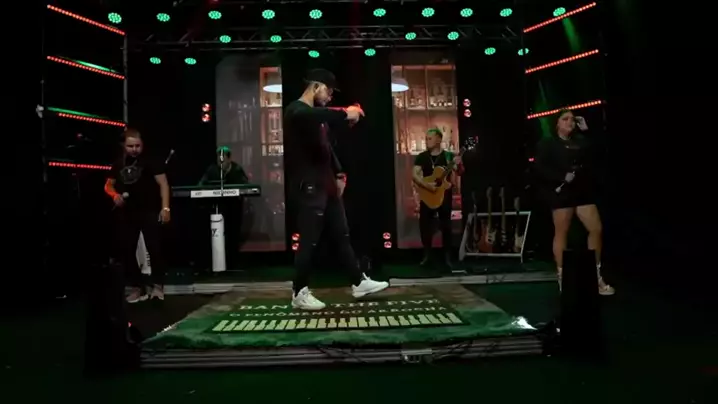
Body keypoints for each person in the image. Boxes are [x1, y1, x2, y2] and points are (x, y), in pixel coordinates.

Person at [283, 68, 388, 310]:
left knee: (342, 234)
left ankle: (358, 282)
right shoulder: (297, 111)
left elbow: (326, 148)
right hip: (309, 185)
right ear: (316, 87)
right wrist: (345, 112)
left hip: (326, 183)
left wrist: (339, 174)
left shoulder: (316, 117)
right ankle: (299, 292)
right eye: (328, 92)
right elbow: (317, 115)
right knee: (309, 240)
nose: (330, 97)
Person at [534, 110, 614, 295]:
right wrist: (561, 176)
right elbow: (539, 168)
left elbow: (596, 153)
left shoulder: (580, 141)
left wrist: (586, 131)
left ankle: (596, 277)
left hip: (581, 192)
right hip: (561, 193)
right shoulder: (548, 143)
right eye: (565, 119)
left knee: (596, 229)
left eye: (572, 119)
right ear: (557, 123)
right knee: (562, 232)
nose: (570, 122)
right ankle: (563, 277)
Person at [104, 128, 170, 302]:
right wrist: (114, 195)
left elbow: (163, 184)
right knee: (126, 249)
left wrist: (165, 208)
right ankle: (137, 287)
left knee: (154, 248)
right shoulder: (118, 164)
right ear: (123, 146)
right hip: (128, 212)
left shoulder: (150, 161)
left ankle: (157, 286)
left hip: (149, 210)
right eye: (130, 146)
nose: (134, 149)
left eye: (137, 146)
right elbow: (108, 185)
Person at [412, 128, 464, 269]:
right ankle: (427, 255)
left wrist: (459, 164)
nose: (426, 141)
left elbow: (460, 172)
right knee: (425, 226)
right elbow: (415, 175)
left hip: (444, 195)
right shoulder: (422, 157)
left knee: (446, 226)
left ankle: (447, 257)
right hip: (427, 195)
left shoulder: (448, 156)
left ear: (439, 140)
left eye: (429, 138)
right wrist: (427, 186)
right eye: (426, 138)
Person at [198, 146, 249, 268]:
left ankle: (232, 263)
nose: (220, 163)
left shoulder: (237, 170)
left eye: (223, 160)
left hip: (234, 208)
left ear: (229, 159)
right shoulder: (212, 169)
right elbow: (200, 184)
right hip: (217, 207)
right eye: (218, 160)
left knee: (233, 235)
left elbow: (245, 185)